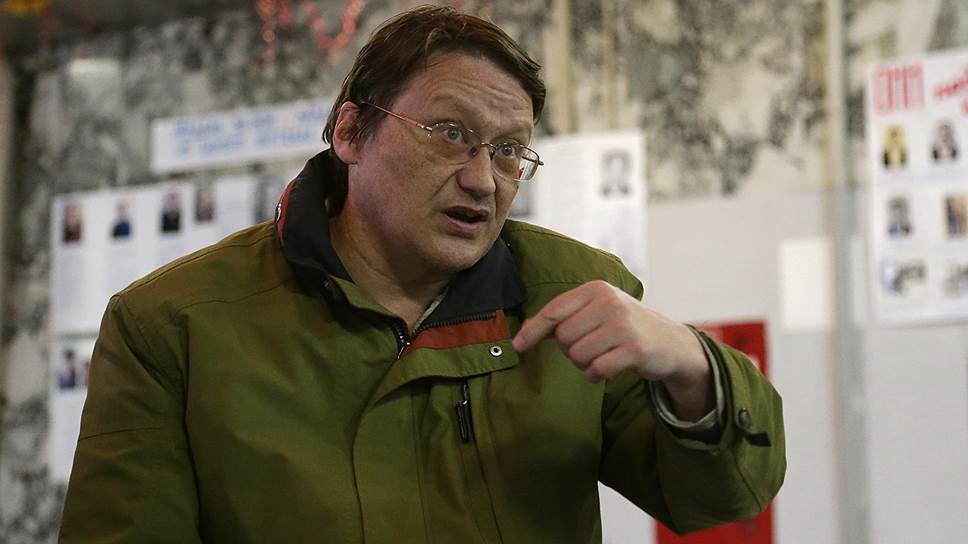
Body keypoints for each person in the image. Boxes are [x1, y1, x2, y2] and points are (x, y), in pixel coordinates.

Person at [60, 6, 784, 543]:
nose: (483, 179)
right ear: (351, 133)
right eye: (450, 133)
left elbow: (721, 498)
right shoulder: (175, 322)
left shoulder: (573, 292)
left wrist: (695, 369)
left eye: (510, 150)